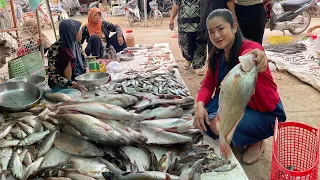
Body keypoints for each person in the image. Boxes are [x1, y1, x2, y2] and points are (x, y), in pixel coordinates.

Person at [193, 9, 286, 165]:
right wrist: (200, 105)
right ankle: (237, 133)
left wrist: (257, 56)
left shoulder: (248, 49)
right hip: (236, 103)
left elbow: (255, 53)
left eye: (221, 29)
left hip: (265, 113)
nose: (216, 36)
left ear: (234, 27)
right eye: (211, 32)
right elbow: (208, 85)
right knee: (201, 119)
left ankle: (257, 141)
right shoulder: (217, 55)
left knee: (216, 127)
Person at [47, 19, 87, 93]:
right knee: (67, 53)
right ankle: (69, 87)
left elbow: (84, 58)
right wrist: (71, 83)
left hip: (78, 78)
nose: (81, 32)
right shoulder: (55, 49)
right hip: (60, 85)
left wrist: (87, 69)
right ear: (71, 32)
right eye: (79, 30)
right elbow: (52, 75)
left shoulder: (76, 43)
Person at [169, 0, 207, 76]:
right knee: (184, 43)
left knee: (200, 43)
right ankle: (188, 59)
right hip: (184, 22)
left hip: (200, 21)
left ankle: (197, 65)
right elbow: (176, 3)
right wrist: (171, 18)